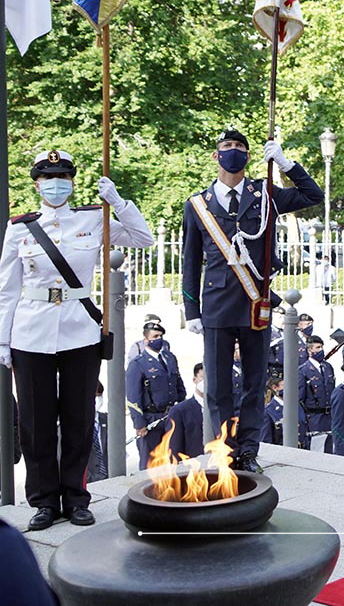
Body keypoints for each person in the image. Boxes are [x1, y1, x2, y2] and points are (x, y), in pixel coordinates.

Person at [0, 150, 153, 530]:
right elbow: (7, 289)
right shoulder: (20, 227)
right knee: (35, 423)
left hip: (80, 330)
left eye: (63, 176)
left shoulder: (92, 218)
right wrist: (3, 341)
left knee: (78, 418)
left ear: (72, 181)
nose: (56, 183)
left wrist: (117, 202)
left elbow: (143, 238)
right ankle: (44, 502)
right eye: (48, 177)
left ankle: (77, 497)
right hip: (31, 332)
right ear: (36, 183)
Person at [181, 129, 322, 473]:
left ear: (247, 156)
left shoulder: (265, 195)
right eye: (226, 147)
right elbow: (190, 260)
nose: (233, 152)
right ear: (216, 156)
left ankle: (247, 450)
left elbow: (312, 194)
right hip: (215, 305)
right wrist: (191, 309)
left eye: (240, 148)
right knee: (217, 386)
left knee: (254, 382)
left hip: (254, 302)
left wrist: (286, 163)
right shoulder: (198, 204)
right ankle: (220, 450)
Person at [126, 322, 187, 469]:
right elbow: (133, 396)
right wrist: (139, 423)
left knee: (173, 458)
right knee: (150, 463)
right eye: (155, 336)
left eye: (160, 336)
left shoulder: (169, 358)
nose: (158, 339)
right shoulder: (138, 363)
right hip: (150, 418)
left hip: (170, 415)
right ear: (146, 339)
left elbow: (177, 382)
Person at [299, 336, 335, 452]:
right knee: (316, 450)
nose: (321, 350)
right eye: (318, 348)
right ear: (310, 351)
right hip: (314, 418)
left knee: (329, 449)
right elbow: (300, 399)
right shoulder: (303, 371)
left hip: (328, 416)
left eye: (322, 347)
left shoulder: (327, 367)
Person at [167, 364, 206, 460]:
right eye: (202, 378)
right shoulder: (179, 411)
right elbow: (174, 449)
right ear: (195, 380)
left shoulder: (223, 408)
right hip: (192, 469)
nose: (207, 383)